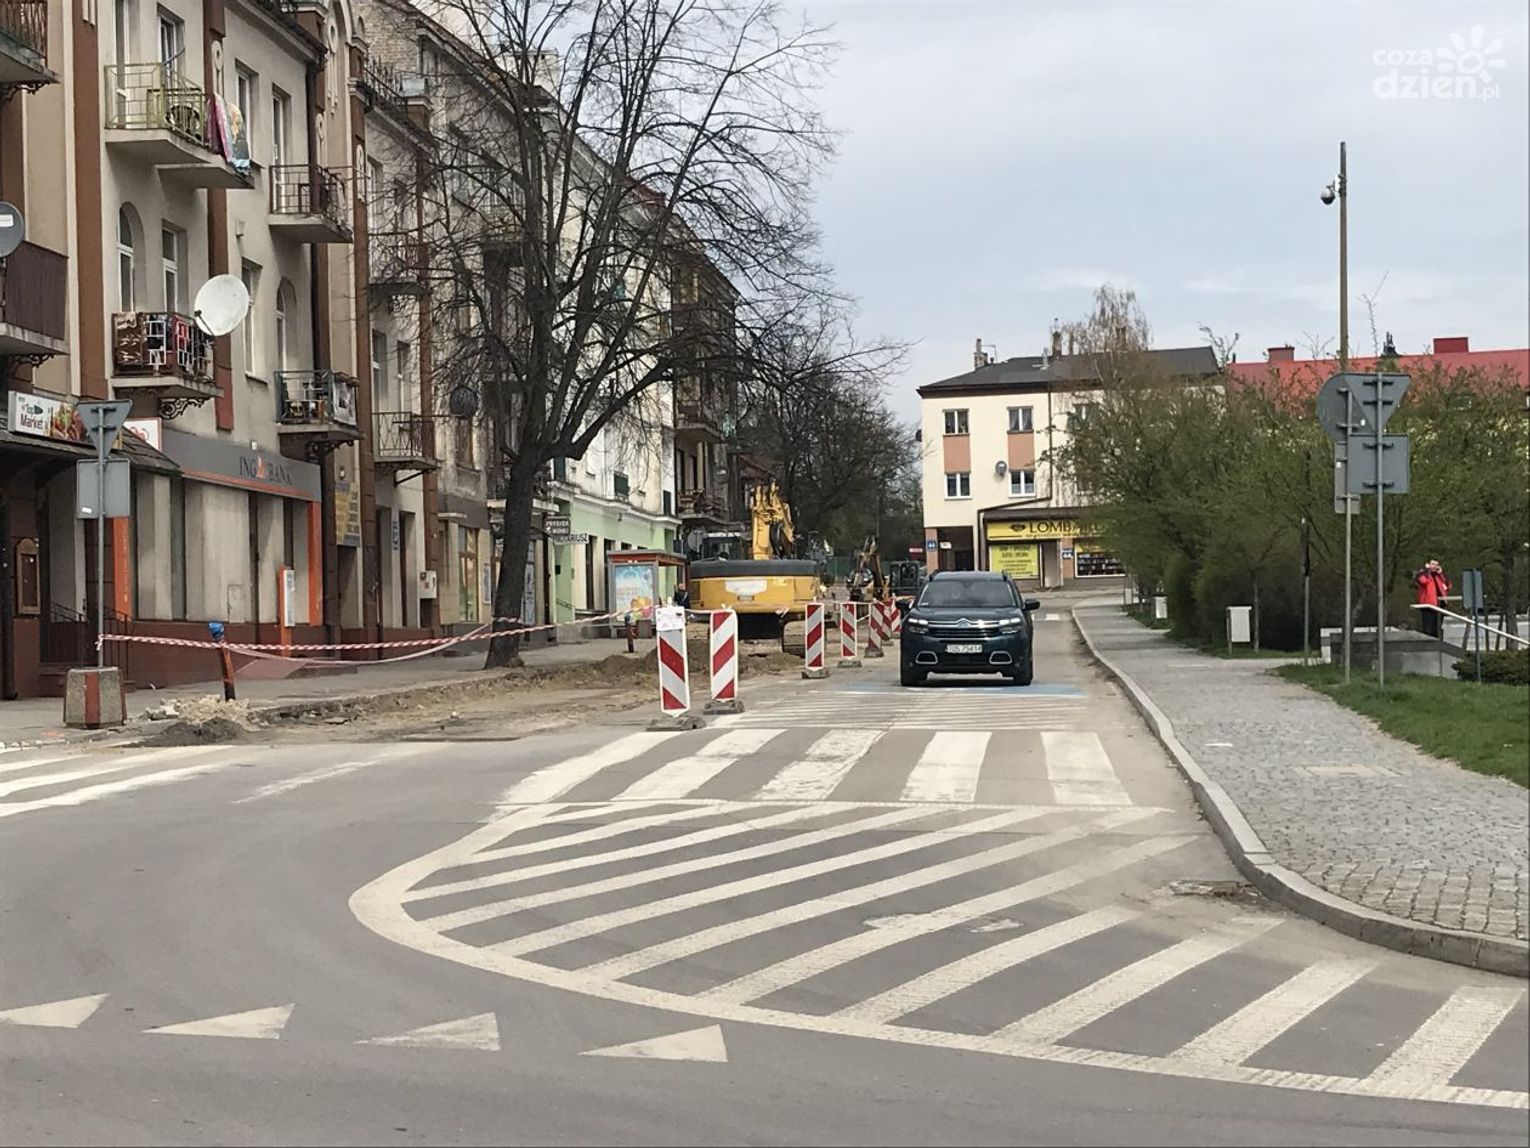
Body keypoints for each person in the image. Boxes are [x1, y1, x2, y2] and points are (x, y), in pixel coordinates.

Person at [1414, 559, 1450, 637]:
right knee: (1428, 629)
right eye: (1433, 564)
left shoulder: (1438, 576)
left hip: (1439, 605)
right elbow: (1423, 581)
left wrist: (1441, 574)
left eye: (1436, 565)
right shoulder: (1424, 574)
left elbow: (1448, 586)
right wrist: (1426, 570)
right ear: (1428, 564)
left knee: (1437, 629)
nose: (1435, 566)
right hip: (1428, 605)